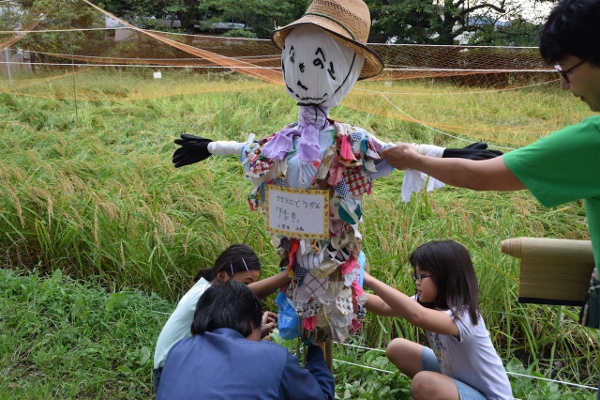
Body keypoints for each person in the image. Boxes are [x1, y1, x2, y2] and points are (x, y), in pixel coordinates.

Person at [171, 0, 501, 345]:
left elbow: (393, 152)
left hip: (335, 258)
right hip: (296, 255)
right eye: (295, 60)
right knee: (301, 318)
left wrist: (447, 155)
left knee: (329, 319)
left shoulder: (350, 141)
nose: (303, 69)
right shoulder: (283, 140)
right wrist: (209, 147)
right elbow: (249, 149)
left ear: (350, 68)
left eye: (318, 61)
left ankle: (318, 377)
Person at [379, 0, 600, 395]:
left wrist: (412, 158)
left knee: (427, 383)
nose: (565, 85)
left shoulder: (595, 138)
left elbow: (478, 175)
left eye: (566, 70)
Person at [364, 240, 513, 400]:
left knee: (423, 384)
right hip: (457, 382)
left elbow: (418, 316)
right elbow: (383, 306)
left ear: (445, 277)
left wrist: (369, 280)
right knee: (397, 348)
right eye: (416, 275)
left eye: (422, 275)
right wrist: (345, 290)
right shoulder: (428, 304)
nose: (417, 281)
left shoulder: (465, 316)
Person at [156, 279, 335, 400]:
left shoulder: (178, 351)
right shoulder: (273, 358)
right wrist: (314, 346)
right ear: (251, 324)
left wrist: (257, 333)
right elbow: (322, 396)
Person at [152, 243, 289, 391]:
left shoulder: (215, 301)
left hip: (185, 365)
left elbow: (231, 341)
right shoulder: (203, 294)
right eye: (246, 283)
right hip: (170, 369)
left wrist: (258, 328)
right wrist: (289, 274)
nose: (247, 290)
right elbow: (246, 295)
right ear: (222, 276)